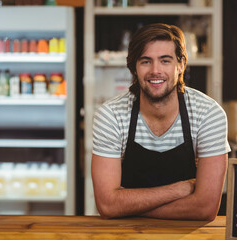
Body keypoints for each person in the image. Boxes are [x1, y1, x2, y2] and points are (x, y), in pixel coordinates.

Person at [91, 23, 230, 220]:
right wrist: (180, 190)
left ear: (181, 64)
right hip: (125, 234)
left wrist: (126, 206)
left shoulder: (208, 114)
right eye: (146, 61)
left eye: (165, 61)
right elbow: (107, 204)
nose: (155, 71)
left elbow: (205, 208)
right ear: (134, 67)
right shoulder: (111, 116)